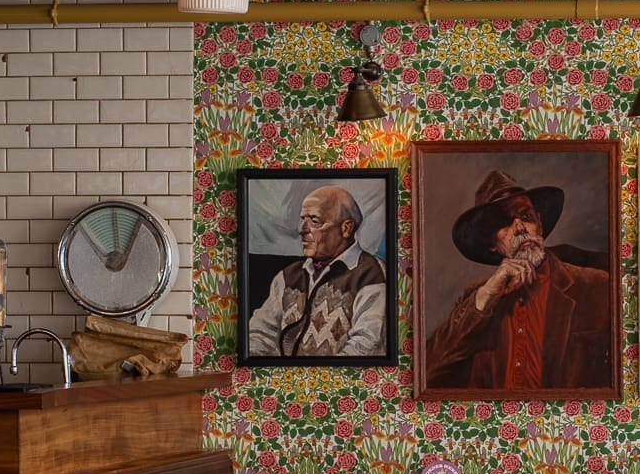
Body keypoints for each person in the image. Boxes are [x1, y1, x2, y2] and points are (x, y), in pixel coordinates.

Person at [422, 168, 615, 392]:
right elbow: (426, 375)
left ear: (539, 225)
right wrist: (484, 298)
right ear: (492, 244)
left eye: (526, 216)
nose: (520, 228)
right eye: (504, 223)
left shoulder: (597, 287)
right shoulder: (477, 298)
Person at [245, 183, 388, 358]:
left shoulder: (372, 275)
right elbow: (260, 333)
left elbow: (366, 346)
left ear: (346, 228)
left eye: (314, 220)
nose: (301, 229)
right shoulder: (288, 276)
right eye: (302, 219)